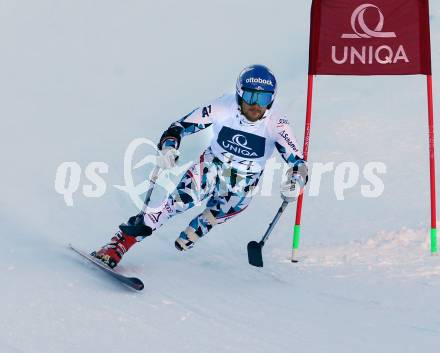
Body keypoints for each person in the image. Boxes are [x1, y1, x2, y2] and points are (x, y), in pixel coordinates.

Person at [92, 64, 308, 268]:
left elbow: (299, 164)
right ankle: (118, 244)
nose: (256, 105)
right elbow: (179, 127)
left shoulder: (277, 123)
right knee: (175, 204)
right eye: (251, 96)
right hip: (211, 167)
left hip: (244, 182)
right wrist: (169, 146)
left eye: (264, 98)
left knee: (231, 205)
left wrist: (295, 181)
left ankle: (205, 222)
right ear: (239, 93)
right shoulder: (223, 106)